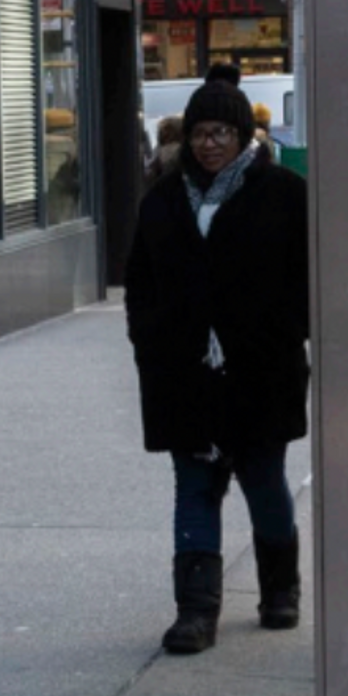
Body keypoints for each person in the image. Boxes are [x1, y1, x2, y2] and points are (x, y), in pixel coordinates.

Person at [126, 71, 311, 654]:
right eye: (201, 133)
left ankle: (280, 591)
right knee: (196, 486)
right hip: (185, 376)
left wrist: (288, 338)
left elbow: (305, 281)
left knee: (264, 483)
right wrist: (150, 343)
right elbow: (140, 284)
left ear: (244, 136)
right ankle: (196, 612)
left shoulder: (284, 193)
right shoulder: (161, 201)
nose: (209, 144)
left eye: (222, 132)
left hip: (262, 371)